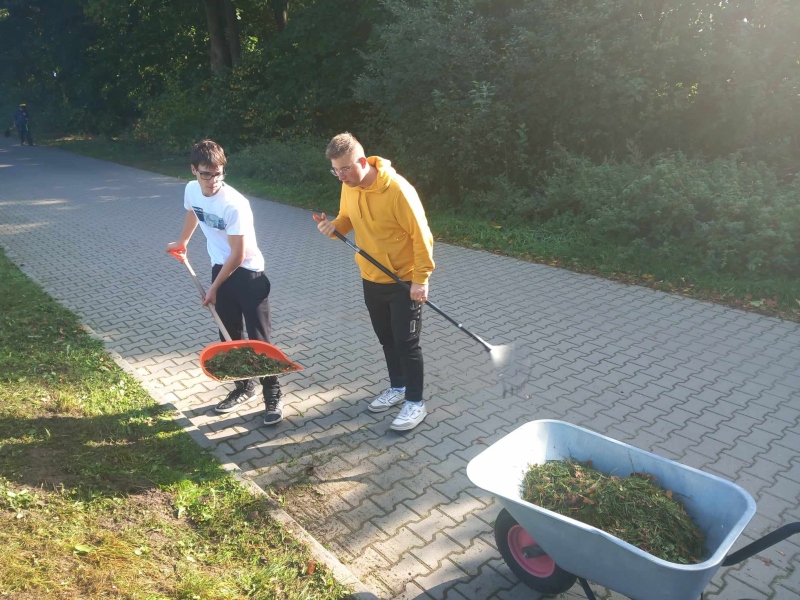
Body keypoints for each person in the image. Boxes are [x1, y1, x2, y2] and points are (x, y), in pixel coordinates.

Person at [313, 132, 434, 431]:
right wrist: (333, 227)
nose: (341, 176)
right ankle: (398, 387)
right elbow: (346, 218)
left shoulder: (398, 191)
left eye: (345, 169)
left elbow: (422, 236)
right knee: (386, 338)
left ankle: (415, 402)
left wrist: (421, 280)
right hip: (371, 277)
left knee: (406, 343)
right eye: (335, 170)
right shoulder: (349, 187)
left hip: (403, 280)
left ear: (363, 162)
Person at [166, 139, 284, 424]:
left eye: (218, 173)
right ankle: (244, 387)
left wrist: (213, 288)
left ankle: (273, 394)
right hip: (220, 268)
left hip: (249, 274)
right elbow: (193, 211)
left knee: (258, 340)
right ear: (194, 170)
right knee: (228, 335)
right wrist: (183, 241)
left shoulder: (234, 204)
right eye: (206, 174)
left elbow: (238, 254)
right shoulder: (191, 189)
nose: (213, 180)